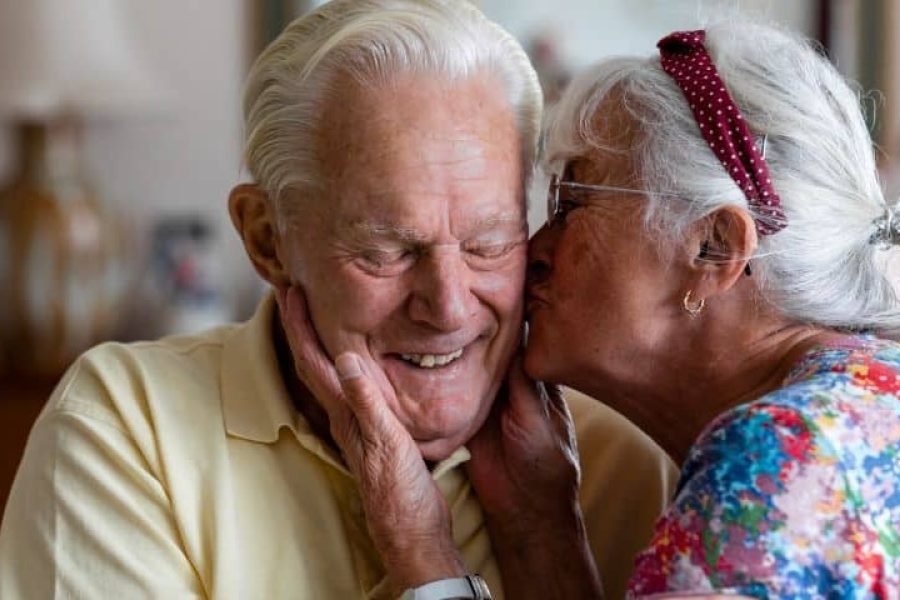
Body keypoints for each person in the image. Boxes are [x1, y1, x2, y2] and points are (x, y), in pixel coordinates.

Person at [0, 1, 678, 598]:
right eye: (388, 250)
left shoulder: (622, 461)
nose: (448, 307)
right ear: (268, 241)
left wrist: (543, 544)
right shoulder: (126, 427)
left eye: (488, 243)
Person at [301, 18, 900, 599]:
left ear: (713, 247)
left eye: (572, 202)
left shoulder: (771, 460)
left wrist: (423, 555)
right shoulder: (870, 402)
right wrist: (542, 530)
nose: (534, 250)